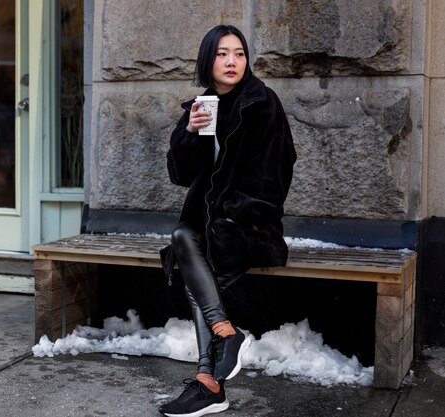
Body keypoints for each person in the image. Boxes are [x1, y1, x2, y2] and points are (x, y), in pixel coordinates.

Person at [159, 24, 297, 417]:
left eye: (239, 52)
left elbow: (276, 172)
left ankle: (209, 382)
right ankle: (225, 336)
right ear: (208, 60)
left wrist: (233, 216)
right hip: (207, 228)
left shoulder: (261, 102)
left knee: (194, 278)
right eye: (222, 53)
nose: (232, 61)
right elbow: (180, 176)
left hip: (249, 226)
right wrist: (188, 133)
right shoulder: (202, 107)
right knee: (183, 235)